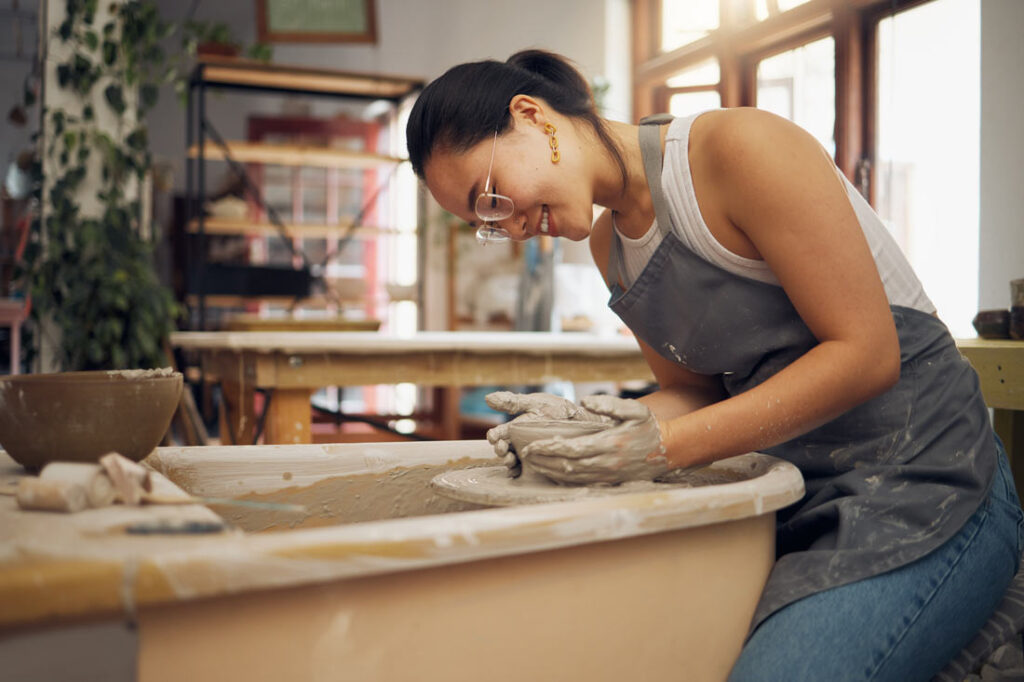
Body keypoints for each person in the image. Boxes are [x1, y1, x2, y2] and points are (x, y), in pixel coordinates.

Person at [406, 49, 1024, 681]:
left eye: (489, 197)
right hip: (792, 496)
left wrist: (659, 449)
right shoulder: (610, 247)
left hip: (930, 484)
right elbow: (691, 394)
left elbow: (867, 355)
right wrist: (578, 426)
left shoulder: (737, 149)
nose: (505, 227)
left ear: (531, 116)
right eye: (483, 222)